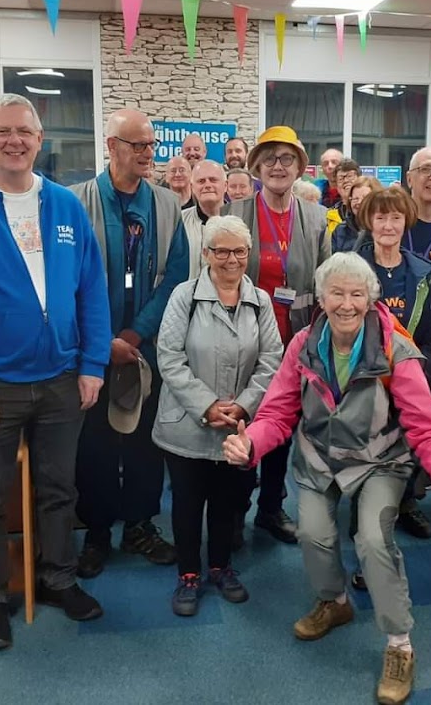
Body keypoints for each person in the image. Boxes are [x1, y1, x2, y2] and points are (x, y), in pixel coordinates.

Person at [221, 252, 431, 705]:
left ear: (370, 299)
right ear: (321, 299)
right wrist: (250, 444)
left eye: (357, 294)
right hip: (319, 458)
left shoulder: (396, 350)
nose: (346, 304)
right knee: (313, 534)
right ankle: (335, 603)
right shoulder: (303, 344)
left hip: (380, 460)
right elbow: (278, 412)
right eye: (336, 293)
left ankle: (400, 644)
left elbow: (425, 427)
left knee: (374, 542)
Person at [0, 94, 110, 652]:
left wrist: (92, 364)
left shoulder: (64, 206)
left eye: (25, 132)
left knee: (58, 489)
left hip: (61, 378)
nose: (15, 141)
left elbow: (91, 289)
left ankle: (58, 578)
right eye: (3, 131)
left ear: (39, 139)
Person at [72, 108, 190, 577]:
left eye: (151, 145)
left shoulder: (166, 205)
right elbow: (68, 281)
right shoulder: (76, 202)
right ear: (111, 146)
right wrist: (104, 341)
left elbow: (176, 276)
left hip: (146, 348)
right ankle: (97, 531)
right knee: (95, 444)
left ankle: (140, 525)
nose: (147, 153)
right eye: (137, 144)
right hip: (92, 349)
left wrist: (135, 333)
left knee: (145, 442)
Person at [154, 216, 284, 616]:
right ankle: (188, 574)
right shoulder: (184, 296)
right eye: (222, 251)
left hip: (239, 425)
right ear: (207, 254)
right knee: (187, 503)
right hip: (186, 424)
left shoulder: (260, 301)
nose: (231, 260)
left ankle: (221, 567)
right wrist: (206, 406)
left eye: (239, 251)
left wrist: (244, 405)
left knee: (229, 500)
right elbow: (169, 357)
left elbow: (272, 360)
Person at [223, 125, 331, 544]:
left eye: (287, 159)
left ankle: (270, 507)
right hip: (246, 338)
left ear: (300, 167)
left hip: (296, 340)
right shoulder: (235, 214)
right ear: (256, 167)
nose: (278, 166)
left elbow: (324, 284)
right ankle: (235, 509)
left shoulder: (317, 218)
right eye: (269, 159)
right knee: (243, 422)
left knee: (282, 426)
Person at [356, 186, 431, 542]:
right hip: (362, 380)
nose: (388, 225)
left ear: (406, 221)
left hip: (410, 380)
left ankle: (406, 504)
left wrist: (414, 375)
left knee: (407, 446)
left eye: (395, 217)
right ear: (369, 221)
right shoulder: (351, 269)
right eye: (381, 217)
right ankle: (363, 509)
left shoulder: (425, 273)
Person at [183, 160, 227, 279]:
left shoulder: (241, 219)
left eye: (213, 180)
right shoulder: (179, 221)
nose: (207, 185)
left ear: (225, 186)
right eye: (201, 181)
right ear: (192, 187)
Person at [333, 175, 382, 254]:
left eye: (365, 198)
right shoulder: (340, 230)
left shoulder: (385, 229)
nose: (359, 202)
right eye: (355, 198)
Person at [326, 158, 362, 239]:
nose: (345, 181)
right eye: (341, 178)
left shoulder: (371, 212)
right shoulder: (328, 217)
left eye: (350, 176)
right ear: (336, 185)